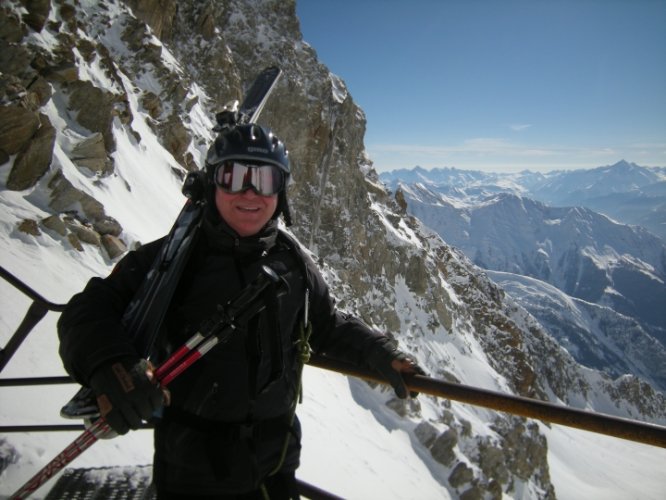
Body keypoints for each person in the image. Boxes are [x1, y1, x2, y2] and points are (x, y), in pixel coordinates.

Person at [58, 123, 423, 499]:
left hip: (277, 459)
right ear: (213, 183)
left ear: (280, 192)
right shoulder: (171, 260)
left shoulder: (293, 262)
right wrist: (114, 366)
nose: (250, 193)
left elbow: (327, 325)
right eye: (234, 177)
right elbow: (86, 311)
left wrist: (378, 351)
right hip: (195, 470)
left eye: (264, 180)